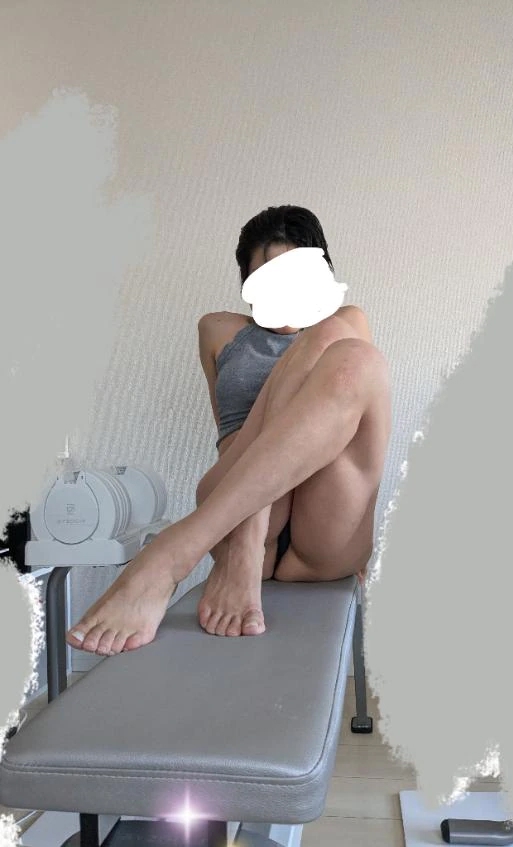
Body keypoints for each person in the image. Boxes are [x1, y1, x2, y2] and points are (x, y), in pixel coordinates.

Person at [66, 205, 391, 655]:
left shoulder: (347, 321)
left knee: (348, 350)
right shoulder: (217, 328)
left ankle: (174, 553)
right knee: (329, 348)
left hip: (325, 516)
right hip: (234, 517)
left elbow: (349, 416)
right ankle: (241, 539)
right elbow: (231, 432)